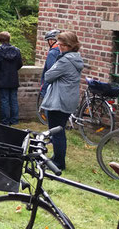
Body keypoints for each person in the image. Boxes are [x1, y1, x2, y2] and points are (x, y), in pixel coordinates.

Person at [41, 31, 83, 171]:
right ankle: (56, 158)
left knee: (57, 132)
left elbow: (48, 76)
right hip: (68, 99)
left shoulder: (65, 60)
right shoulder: (75, 58)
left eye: (60, 44)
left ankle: (59, 163)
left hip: (58, 101)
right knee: (59, 131)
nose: (58, 46)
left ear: (66, 46)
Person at [0, 31, 23, 126]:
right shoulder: (16, 50)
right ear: (9, 39)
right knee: (14, 100)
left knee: (4, 101)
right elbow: (20, 64)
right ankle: (15, 120)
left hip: (2, 78)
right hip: (13, 78)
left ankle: (5, 121)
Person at [40, 29, 61, 101]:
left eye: (48, 40)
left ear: (51, 40)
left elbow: (50, 70)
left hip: (50, 85)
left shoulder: (52, 53)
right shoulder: (61, 51)